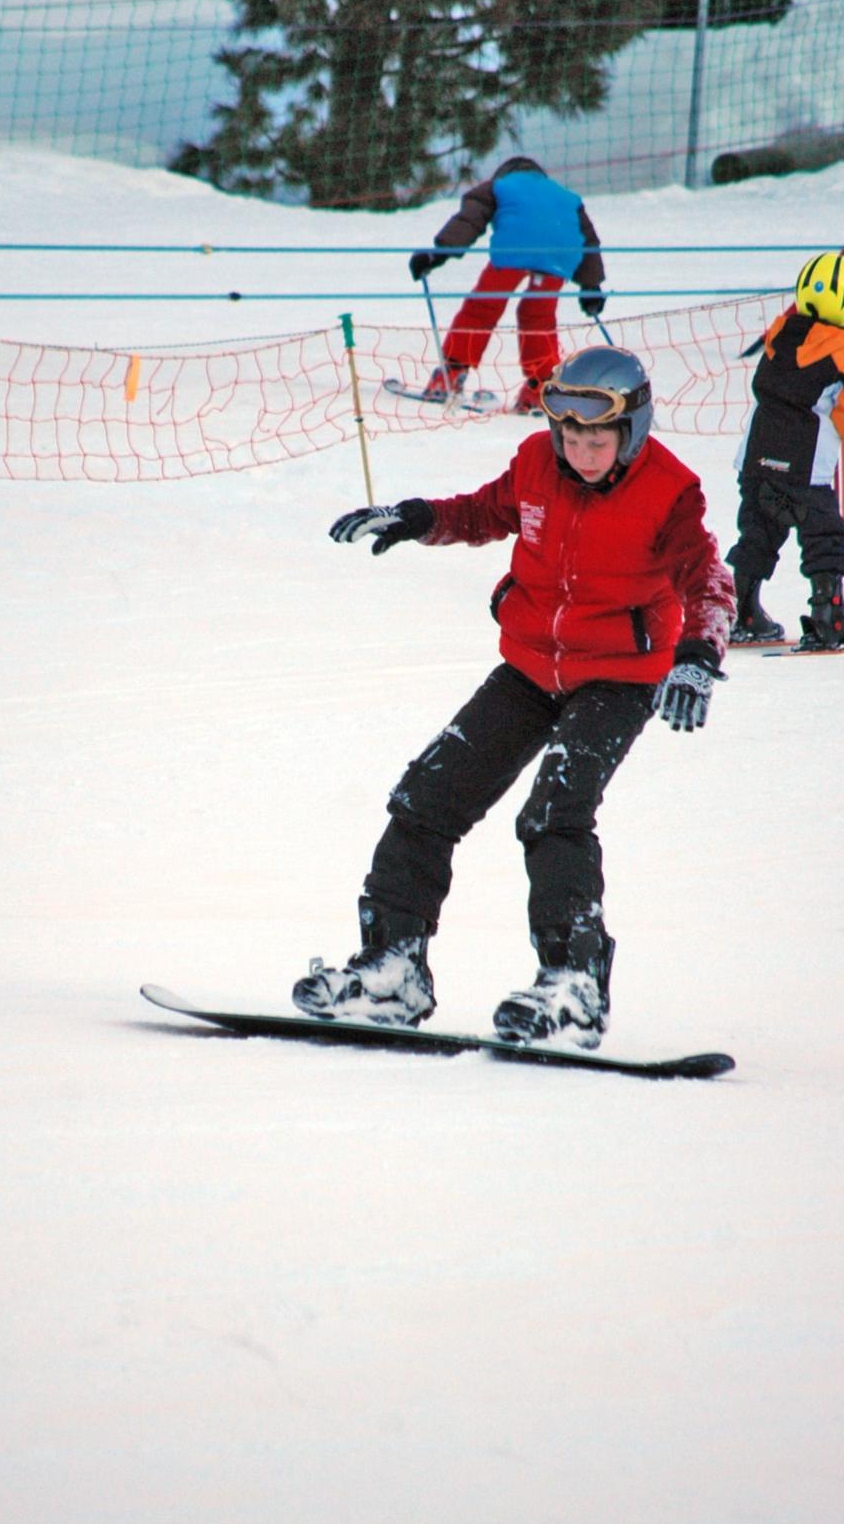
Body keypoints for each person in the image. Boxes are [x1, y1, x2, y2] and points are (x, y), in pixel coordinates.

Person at [292, 345, 734, 1049]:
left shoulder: (669, 490)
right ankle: (393, 968)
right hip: (530, 667)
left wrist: (698, 659)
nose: (581, 452)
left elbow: (707, 580)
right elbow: (483, 513)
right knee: (426, 799)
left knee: (555, 813)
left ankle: (574, 986)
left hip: (619, 677)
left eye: (597, 438)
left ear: (633, 430)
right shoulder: (536, 462)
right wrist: (417, 518)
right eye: (570, 436)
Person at [408, 157, 607, 413]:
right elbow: (589, 242)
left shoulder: (499, 185)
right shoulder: (567, 197)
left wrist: (439, 252)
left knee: (482, 308)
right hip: (557, 257)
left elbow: (470, 220)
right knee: (538, 317)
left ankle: (450, 376)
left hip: (514, 251)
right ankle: (541, 388)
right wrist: (591, 287)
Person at [728, 249, 844, 648]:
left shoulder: (779, 334)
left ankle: (742, 610)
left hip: (756, 456)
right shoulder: (840, 350)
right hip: (806, 466)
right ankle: (829, 618)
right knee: (824, 536)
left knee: (758, 530)